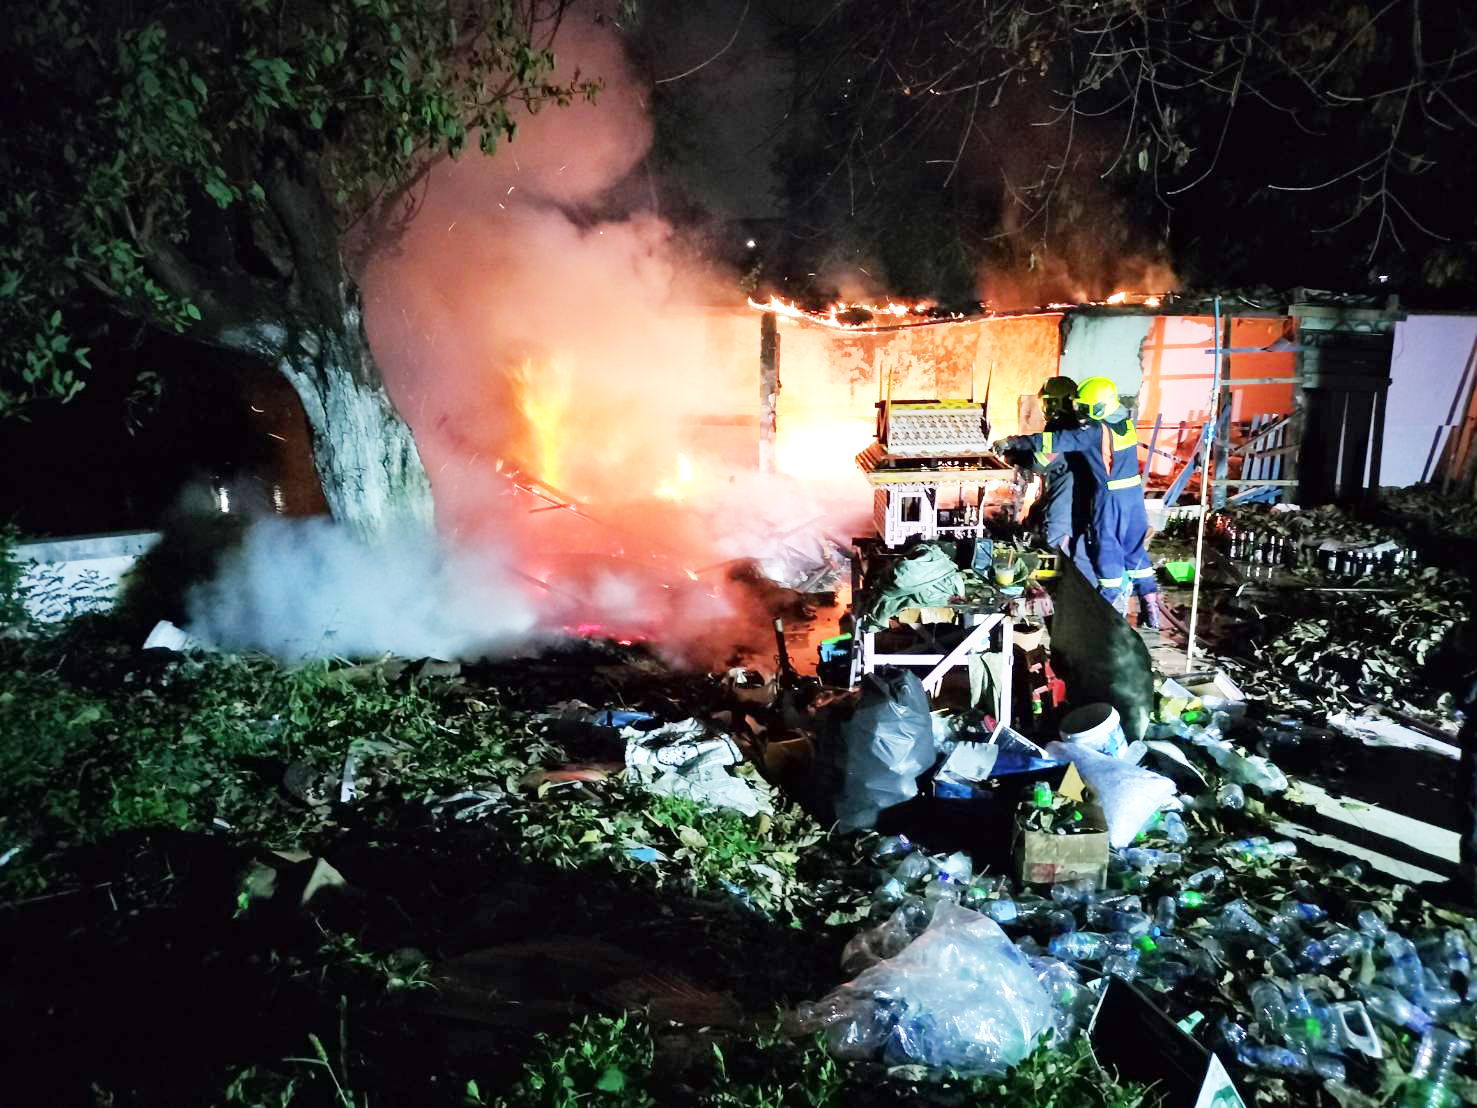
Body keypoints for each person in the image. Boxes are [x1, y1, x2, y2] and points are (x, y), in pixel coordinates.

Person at [993, 376, 1163, 629]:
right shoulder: (1123, 424)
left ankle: (1097, 610)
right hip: (1130, 499)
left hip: (1104, 500)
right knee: (1132, 550)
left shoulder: (1089, 431)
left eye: (1084, 406)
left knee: (1101, 550)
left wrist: (1012, 445)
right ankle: (1151, 610)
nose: (1080, 410)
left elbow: (1046, 452)